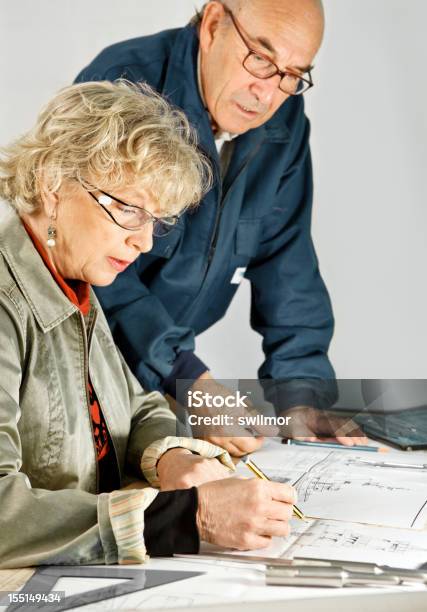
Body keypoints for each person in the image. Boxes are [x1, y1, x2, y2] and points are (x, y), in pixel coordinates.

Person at [0, 80, 297, 568]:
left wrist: (170, 460)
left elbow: (135, 408)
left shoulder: (73, 280)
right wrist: (185, 518)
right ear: (54, 182)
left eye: (155, 220)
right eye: (129, 210)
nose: (143, 242)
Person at [75, 0, 367, 454]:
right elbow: (97, 271)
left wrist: (301, 398)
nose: (267, 93)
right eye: (261, 59)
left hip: (157, 389)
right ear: (213, 25)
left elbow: (288, 262)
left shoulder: (283, 125)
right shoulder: (123, 88)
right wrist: (189, 379)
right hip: (74, 378)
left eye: (292, 75)